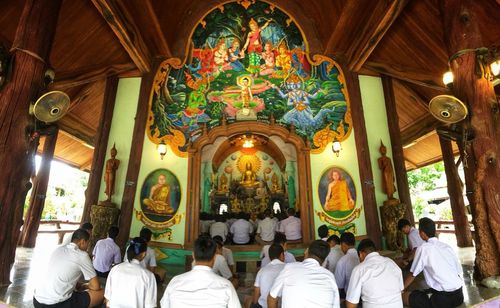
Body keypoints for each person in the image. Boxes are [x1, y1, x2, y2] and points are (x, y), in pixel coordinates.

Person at [160, 236, 241, 308]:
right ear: (214, 257)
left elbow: (164, 304)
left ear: (193, 255)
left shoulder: (175, 281)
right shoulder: (226, 285)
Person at [34, 229, 104, 308]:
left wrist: (79, 285)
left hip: (37, 300)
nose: (88, 247)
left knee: (77, 288)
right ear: (83, 242)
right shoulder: (82, 255)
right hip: (55, 305)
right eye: (88, 243)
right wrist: (85, 285)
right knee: (102, 293)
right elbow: (96, 286)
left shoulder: (59, 249)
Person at [403, 218, 464, 308]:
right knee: (427, 291)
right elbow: (458, 271)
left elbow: (413, 274)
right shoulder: (447, 247)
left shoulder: (423, 249)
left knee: (405, 296)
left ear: (422, 233)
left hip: (442, 301)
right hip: (459, 296)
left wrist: (400, 289)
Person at [268, 240, 340, 308]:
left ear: (306, 251)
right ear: (324, 260)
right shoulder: (330, 277)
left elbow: (272, 299)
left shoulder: (289, 268)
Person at [346, 239, 404, 308]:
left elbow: (351, 305)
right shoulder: (391, 263)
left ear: (361, 254)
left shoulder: (359, 269)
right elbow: (401, 290)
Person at [104, 237, 157, 308]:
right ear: (144, 254)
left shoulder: (115, 269)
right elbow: (151, 305)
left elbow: (108, 301)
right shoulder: (149, 276)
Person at [252, 244, 285, 308]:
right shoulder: (288, 269)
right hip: (283, 305)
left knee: (247, 300)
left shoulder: (262, 270)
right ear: (281, 255)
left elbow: (256, 294)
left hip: (264, 305)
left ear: (270, 257)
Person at [334, 232, 360, 297]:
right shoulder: (362, 256)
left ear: (343, 245)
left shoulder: (342, 261)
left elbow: (339, 286)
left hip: (350, 297)